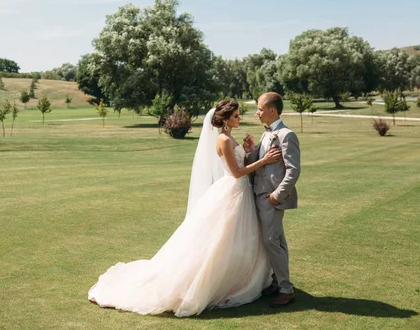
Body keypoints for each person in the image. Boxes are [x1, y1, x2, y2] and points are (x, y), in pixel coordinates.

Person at [88, 99, 282, 317]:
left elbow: (238, 163)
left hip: (240, 191)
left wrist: (247, 150)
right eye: (236, 115)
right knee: (220, 240)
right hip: (233, 190)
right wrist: (263, 160)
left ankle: (239, 280)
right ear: (226, 119)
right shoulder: (223, 140)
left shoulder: (229, 138)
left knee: (237, 239)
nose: (239, 118)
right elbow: (236, 172)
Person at [244, 92, 301, 307]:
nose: (257, 112)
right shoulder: (266, 133)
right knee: (277, 241)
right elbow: (259, 161)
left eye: (259, 109)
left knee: (271, 241)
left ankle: (286, 289)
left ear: (272, 111)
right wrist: (251, 151)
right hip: (260, 194)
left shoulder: (287, 135)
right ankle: (279, 282)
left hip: (271, 198)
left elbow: (293, 171)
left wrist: (277, 196)